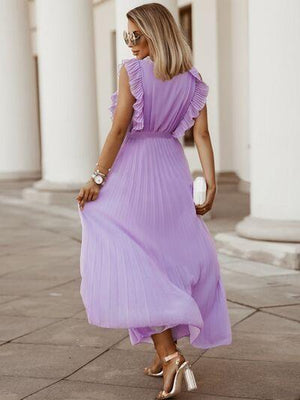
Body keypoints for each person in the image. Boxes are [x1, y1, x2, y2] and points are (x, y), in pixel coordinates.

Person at [76, 3, 232, 399]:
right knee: (161, 258)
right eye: (127, 36)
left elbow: (119, 128)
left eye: (136, 35)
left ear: (155, 34)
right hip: (171, 170)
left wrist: (97, 178)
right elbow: (202, 136)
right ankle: (163, 349)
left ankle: (169, 356)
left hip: (135, 171)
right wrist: (211, 184)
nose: (130, 44)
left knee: (129, 253)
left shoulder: (133, 73)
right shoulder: (192, 80)